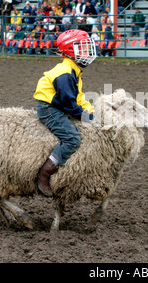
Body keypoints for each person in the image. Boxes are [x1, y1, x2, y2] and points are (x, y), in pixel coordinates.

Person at [33, 29, 97, 197]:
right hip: (49, 109)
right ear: (71, 50)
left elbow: (78, 97)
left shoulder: (73, 70)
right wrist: (85, 117)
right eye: (83, 48)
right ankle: (44, 174)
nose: (88, 52)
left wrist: (92, 111)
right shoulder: (65, 74)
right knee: (72, 138)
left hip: (57, 105)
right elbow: (70, 104)